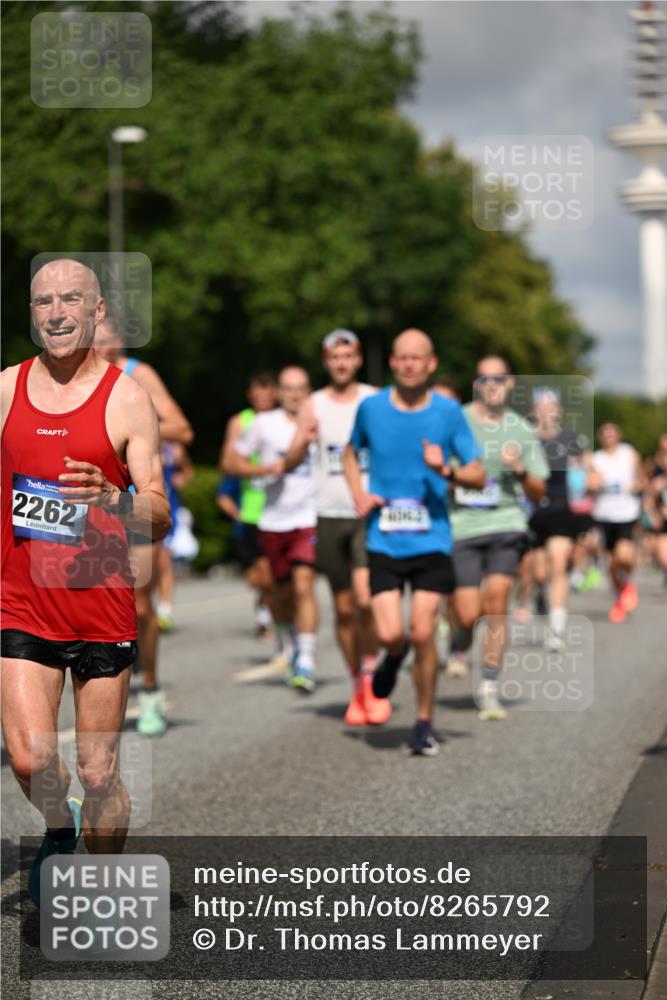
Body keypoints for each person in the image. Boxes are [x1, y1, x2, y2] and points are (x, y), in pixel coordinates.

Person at [1, 259, 170, 904]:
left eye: (71, 299)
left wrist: (111, 497)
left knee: (98, 773)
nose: (57, 312)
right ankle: (57, 824)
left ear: (97, 311)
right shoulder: (6, 389)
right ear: (32, 312)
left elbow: (160, 515)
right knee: (29, 758)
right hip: (21, 601)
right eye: (44, 301)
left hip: (100, 600)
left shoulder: (127, 397)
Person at [344, 329, 484, 755]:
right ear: (392, 363)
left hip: (431, 540)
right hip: (384, 539)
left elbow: (478, 474)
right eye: (401, 357)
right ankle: (393, 655)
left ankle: (424, 722)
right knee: (390, 634)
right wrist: (359, 492)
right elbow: (349, 453)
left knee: (423, 631)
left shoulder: (448, 412)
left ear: (431, 363)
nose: (408, 364)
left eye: (416, 358)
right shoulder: (371, 408)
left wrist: (447, 471)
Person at [95, 316, 193, 736]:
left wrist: (130, 421)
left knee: (138, 603)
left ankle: (150, 689)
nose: (95, 347)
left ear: (118, 341)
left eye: (103, 340)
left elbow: (182, 429)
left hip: (134, 501)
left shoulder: (139, 374)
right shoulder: (70, 378)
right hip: (88, 503)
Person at [285, 329, 389, 726]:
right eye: (334, 357)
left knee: (365, 601)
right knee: (344, 609)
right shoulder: (314, 403)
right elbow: (291, 460)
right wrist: (303, 440)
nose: (341, 363)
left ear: (358, 360)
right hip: (328, 513)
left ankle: (371, 674)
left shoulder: (375, 399)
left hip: (367, 511)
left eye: (348, 356)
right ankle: (358, 683)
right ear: (326, 362)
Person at [448, 356, 548, 720]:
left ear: (511, 383)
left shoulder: (521, 429)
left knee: (497, 599)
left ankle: (489, 686)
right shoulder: (456, 420)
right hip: (462, 525)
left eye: (499, 378)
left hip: (506, 523)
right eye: (484, 378)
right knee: (467, 612)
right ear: (476, 383)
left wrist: (519, 470)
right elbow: (436, 469)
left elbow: (538, 491)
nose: (492, 385)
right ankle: (459, 637)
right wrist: (457, 476)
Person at [226, 367, 319, 692]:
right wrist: (265, 469)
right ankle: (288, 639)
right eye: (288, 388)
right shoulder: (264, 424)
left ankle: (306, 659)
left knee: (304, 586)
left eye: (301, 388)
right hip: (272, 519)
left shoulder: (319, 421)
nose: (295, 394)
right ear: (279, 392)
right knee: (279, 592)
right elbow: (231, 462)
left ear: (308, 391)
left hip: (308, 518)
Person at [527, 388, 600, 649]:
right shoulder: (526, 438)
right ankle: (539, 592)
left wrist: (592, 479)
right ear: (534, 411)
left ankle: (556, 630)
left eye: (551, 406)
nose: (546, 411)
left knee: (559, 564)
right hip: (532, 512)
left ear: (559, 411)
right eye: (541, 406)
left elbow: (592, 470)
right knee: (539, 572)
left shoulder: (571, 439)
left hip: (561, 509)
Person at [219, 373, 277, 644]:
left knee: (276, 574)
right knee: (259, 576)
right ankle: (266, 611)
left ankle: (271, 618)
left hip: (282, 508)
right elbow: (227, 464)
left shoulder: (285, 419)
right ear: (250, 395)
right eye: (258, 392)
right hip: (252, 509)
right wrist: (262, 469)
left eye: (267, 392)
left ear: (276, 393)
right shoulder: (239, 422)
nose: (263, 398)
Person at [592, 422, 643, 623]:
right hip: (604, 514)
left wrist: (636, 485)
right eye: (605, 434)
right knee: (611, 563)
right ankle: (618, 599)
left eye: (612, 434)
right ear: (600, 438)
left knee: (624, 556)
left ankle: (628, 583)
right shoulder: (596, 458)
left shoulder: (628, 453)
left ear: (618, 436)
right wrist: (595, 482)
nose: (609, 437)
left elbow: (641, 479)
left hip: (626, 513)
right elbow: (589, 485)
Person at [156, 440, 195, 630]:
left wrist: (182, 478)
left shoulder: (173, 448)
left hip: (167, 511)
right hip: (138, 508)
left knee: (164, 560)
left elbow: (188, 470)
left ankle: (165, 610)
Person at [643, 432, 667, 587]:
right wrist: (651, 512)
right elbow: (647, 491)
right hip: (661, 514)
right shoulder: (654, 464)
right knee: (662, 555)